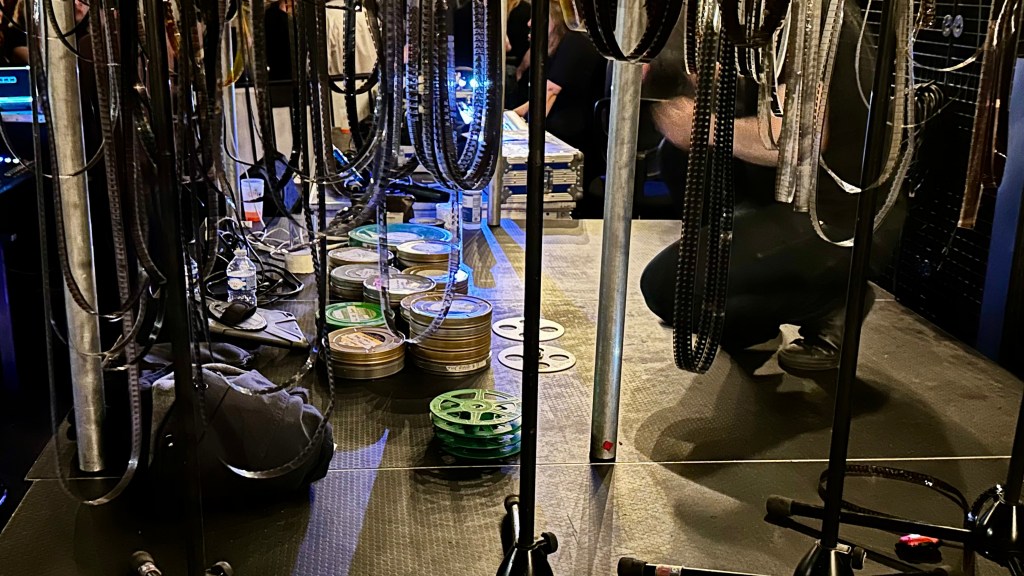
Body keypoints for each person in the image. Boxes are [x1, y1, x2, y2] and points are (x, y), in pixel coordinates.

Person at [639, 4, 905, 372]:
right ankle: (755, 315)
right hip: (777, 199)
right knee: (675, 158)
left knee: (669, 286)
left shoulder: (810, 17)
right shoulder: (756, 18)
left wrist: (704, 125)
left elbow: (800, 139)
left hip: (837, 219)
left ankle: (833, 302)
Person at [512, 1, 608, 203]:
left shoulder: (575, 43)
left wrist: (515, 122)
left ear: (553, 21)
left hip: (573, 140)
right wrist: (512, 116)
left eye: (536, 17)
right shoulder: (564, 45)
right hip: (566, 133)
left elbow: (547, 96)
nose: (529, 23)